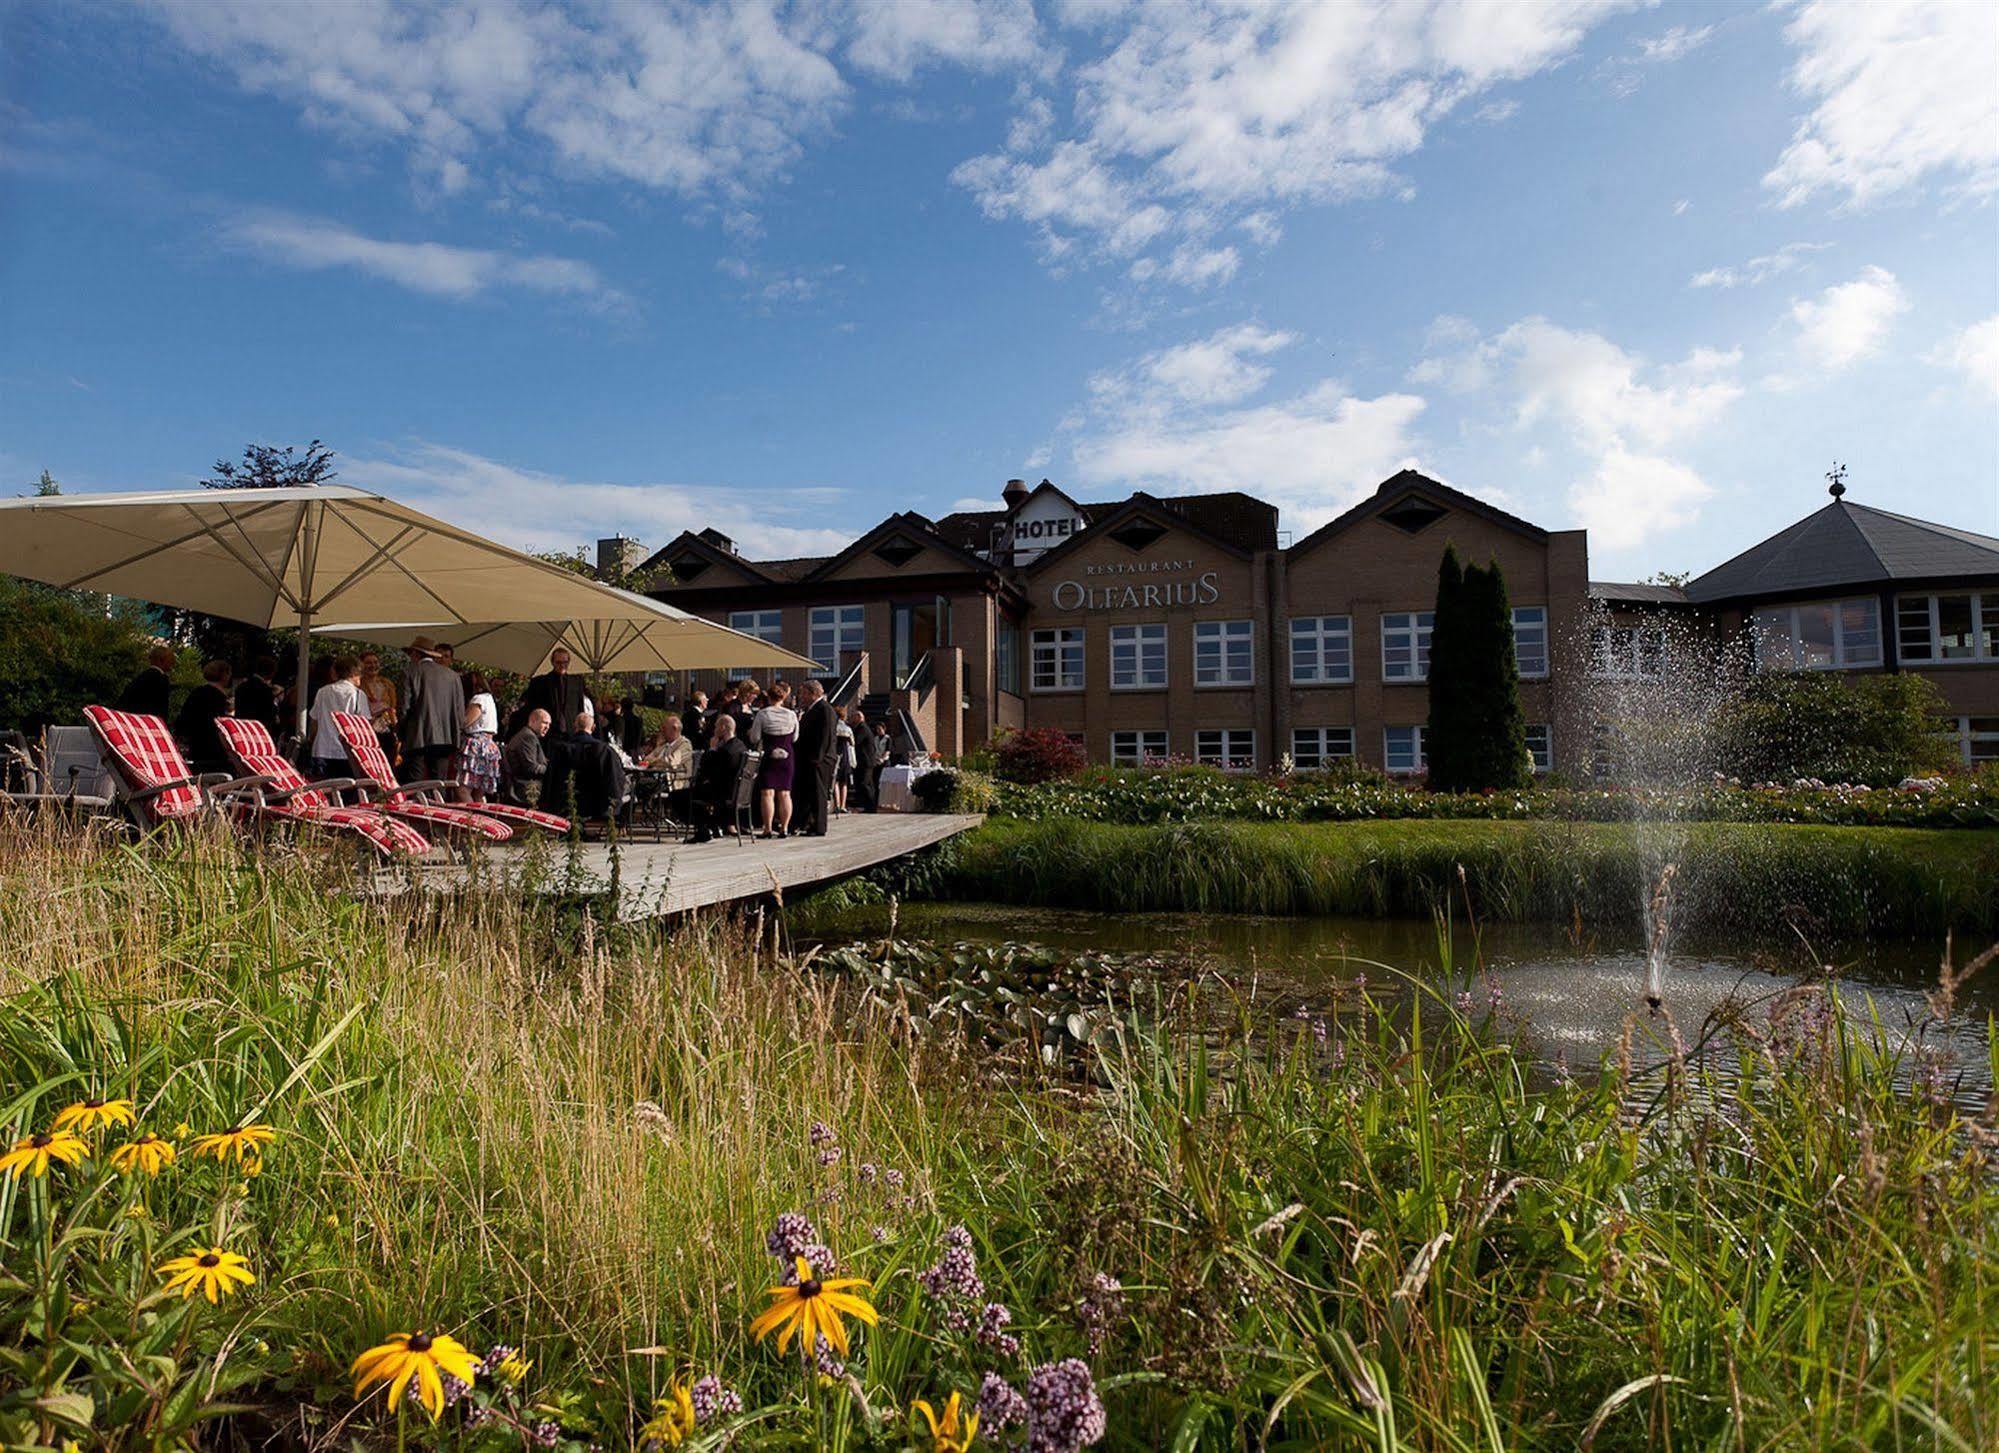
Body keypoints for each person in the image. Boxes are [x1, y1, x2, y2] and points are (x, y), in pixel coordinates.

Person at [398, 636, 464, 783]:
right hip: (445, 738)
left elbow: (403, 708)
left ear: (415, 654)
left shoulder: (410, 672)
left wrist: (401, 734)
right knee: (439, 783)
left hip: (417, 737)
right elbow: (460, 712)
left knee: (415, 784)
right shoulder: (453, 676)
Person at [747, 680, 797, 837]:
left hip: (769, 755)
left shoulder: (763, 714)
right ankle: (785, 828)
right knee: (785, 793)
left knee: (767, 793)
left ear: (769, 697)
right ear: (783, 698)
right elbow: (795, 737)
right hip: (787, 755)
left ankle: (767, 828)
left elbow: (755, 738)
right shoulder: (791, 715)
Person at [688, 712, 748, 842]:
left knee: (682, 796)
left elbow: (706, 770)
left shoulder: (724, 751)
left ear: (723, 728)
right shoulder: (741, 746)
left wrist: (712, 749)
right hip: (736, 791)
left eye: (716, 727)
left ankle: (705, 829)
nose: (714, 730)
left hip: (722, 791)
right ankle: (713, 826)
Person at [307, 654, 368, 781]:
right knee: (347, 794)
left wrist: (311, 740)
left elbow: (314, 721)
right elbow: (364, 724)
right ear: (353, 673)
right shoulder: (358, 694)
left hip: (322, 749)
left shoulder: (322, 691)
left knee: (323, 792)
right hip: (347, 752)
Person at [791, 678, 838, 837]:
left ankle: (819, 826)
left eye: (804, 693)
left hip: (819, 760)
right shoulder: (812, 709)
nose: (801, 697)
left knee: (818, 793)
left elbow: (825, 735)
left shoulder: (824, 709)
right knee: (809, 792)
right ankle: (806, 823)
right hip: (810, 759)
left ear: (813, 693)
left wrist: (817, 758)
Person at [174, 660, 234, 774]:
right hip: (216, 749)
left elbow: (182, 720)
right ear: (224, 675)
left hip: (196, 745)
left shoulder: (196, 693)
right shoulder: (219, 698)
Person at [519, 647, 586, 741]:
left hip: (570, 732)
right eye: (558, 662)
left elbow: (580, 708)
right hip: (547, 733)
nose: (562, 665)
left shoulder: (576, 682)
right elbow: (531, 708)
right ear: (553, 662)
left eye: (565, 662)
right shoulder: (539, 682)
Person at [456, 670, 502, 803]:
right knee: (479, 792)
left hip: (476, 747)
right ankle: (482, 819)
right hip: (489, 746)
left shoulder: (479, 699)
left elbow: (465, 722)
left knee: (463, 789)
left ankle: (471, 820)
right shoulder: (490, 699)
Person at [358, 650, 399, 768]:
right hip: (367, 729)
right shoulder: (359, 684)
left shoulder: (387, 684)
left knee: (388, 763)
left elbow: (393, 705)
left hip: (387, 728)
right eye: (368, 663)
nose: (373, 666)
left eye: (375, 662)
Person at [504, 708, 552, 806]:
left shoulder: (528, 735)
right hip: (525, 788)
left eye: (549, 724)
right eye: (544, 723)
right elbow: (531, 768)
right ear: (533, 721)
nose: (547, 727)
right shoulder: (528, 737)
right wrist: (551, 769)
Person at [117, 645, 175, 720]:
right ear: (161, 660)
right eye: (170, 661)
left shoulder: (140, 677)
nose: (172, 665)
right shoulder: (162, 680)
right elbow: (161, 708)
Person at [233, 656, 282, 735]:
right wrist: (277, 701)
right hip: (259, 730)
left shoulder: (241, 687)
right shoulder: (266, 690)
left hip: (242, 728)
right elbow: (270, 713)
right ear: (270, 672)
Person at [849, 708, 881, 813]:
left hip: (865, 761)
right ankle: (868, 806)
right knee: (867, 784)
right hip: (866, 761)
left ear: (859, 718)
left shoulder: (862, 728)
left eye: (853, 717)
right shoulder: (862, 728)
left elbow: (856, 741)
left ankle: (870, 806)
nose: (851, 719)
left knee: (865, 784)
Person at [833, 707, 856, 815]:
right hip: (845, 755)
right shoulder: (848, 729)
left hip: (835, 754)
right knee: (844, 782)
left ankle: (837, 804)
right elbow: (852, 743)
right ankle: (843, 805)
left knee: (836, 781)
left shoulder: (833, 728)